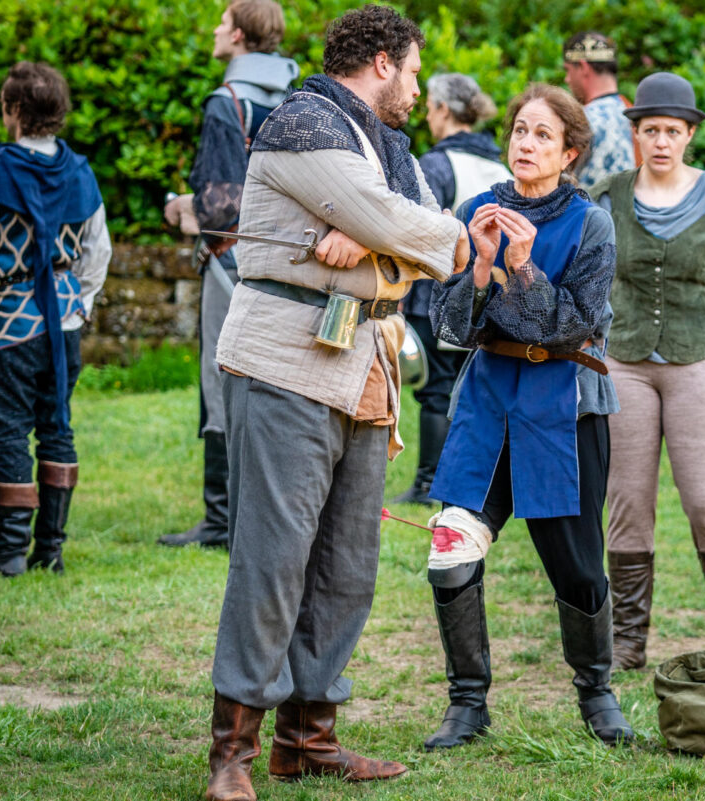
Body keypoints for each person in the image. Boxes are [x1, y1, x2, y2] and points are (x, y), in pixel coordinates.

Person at [202, 6, 471, 799]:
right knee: (273, 559)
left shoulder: (389, 145)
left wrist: (377, 241)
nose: (420, 87)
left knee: (348, 565)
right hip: (286, 360)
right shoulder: (304, 123)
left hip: (366, 370)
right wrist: (393, 234)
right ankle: (233, 758)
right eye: (415, 70)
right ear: (382, 62)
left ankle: (308, 739)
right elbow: (412, 226)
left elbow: (448, 242)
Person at [423, 83, 634, 751]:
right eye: (520, 130)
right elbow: (450, 325)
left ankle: (597, 693)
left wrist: (522, 268)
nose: (525, 142)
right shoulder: (473, 211)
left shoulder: (590, 222)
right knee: (452, 545)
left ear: (569, 152)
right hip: (488, 399)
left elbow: (577, 325)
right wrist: (482, 264)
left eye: (543, 135)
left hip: (565, 403)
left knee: (576, 566)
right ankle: (467, 705)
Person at [589, 73, 705, 671]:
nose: (661, 141)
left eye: (673, 130)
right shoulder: (608, 194)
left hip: (701, 360)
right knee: (628, 502)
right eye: (650, 131)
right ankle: (629, 642)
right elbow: (581, 268)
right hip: (625, 363)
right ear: (634, 133)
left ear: (690, 134)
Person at [0, 61, 111, 578]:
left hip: (11, 326)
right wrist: (81, 302)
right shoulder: (80, 171)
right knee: (56, 428)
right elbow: (98, 250)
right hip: (64, 325)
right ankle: (49, 551)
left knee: (9, 431)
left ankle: (10, 551)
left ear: (13, 111)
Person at [159, 1, 298, 548]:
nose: (215, 30)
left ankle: (221, 521)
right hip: (290, 257)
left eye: (221, 23)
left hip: (231, 260)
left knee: (221, 381)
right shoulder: (298, 101)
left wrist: (180, 206)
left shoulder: (227, 103)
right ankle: (263, 517)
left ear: (238, 36)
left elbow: (220, 206)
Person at [389, 72, 510, 505]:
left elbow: (417, 229)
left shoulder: (436, 164)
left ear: (443, 109)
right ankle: (472, 479)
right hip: (489, 293)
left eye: (430, 108)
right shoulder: (501, 167)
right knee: (472, 389)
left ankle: (427, 483)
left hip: (437, 294)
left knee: (436, 391)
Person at [561, 31, 636, 190]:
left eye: (568, 70)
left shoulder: (579, 120)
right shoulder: (636, 116)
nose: (567, 79)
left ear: (583, 67)